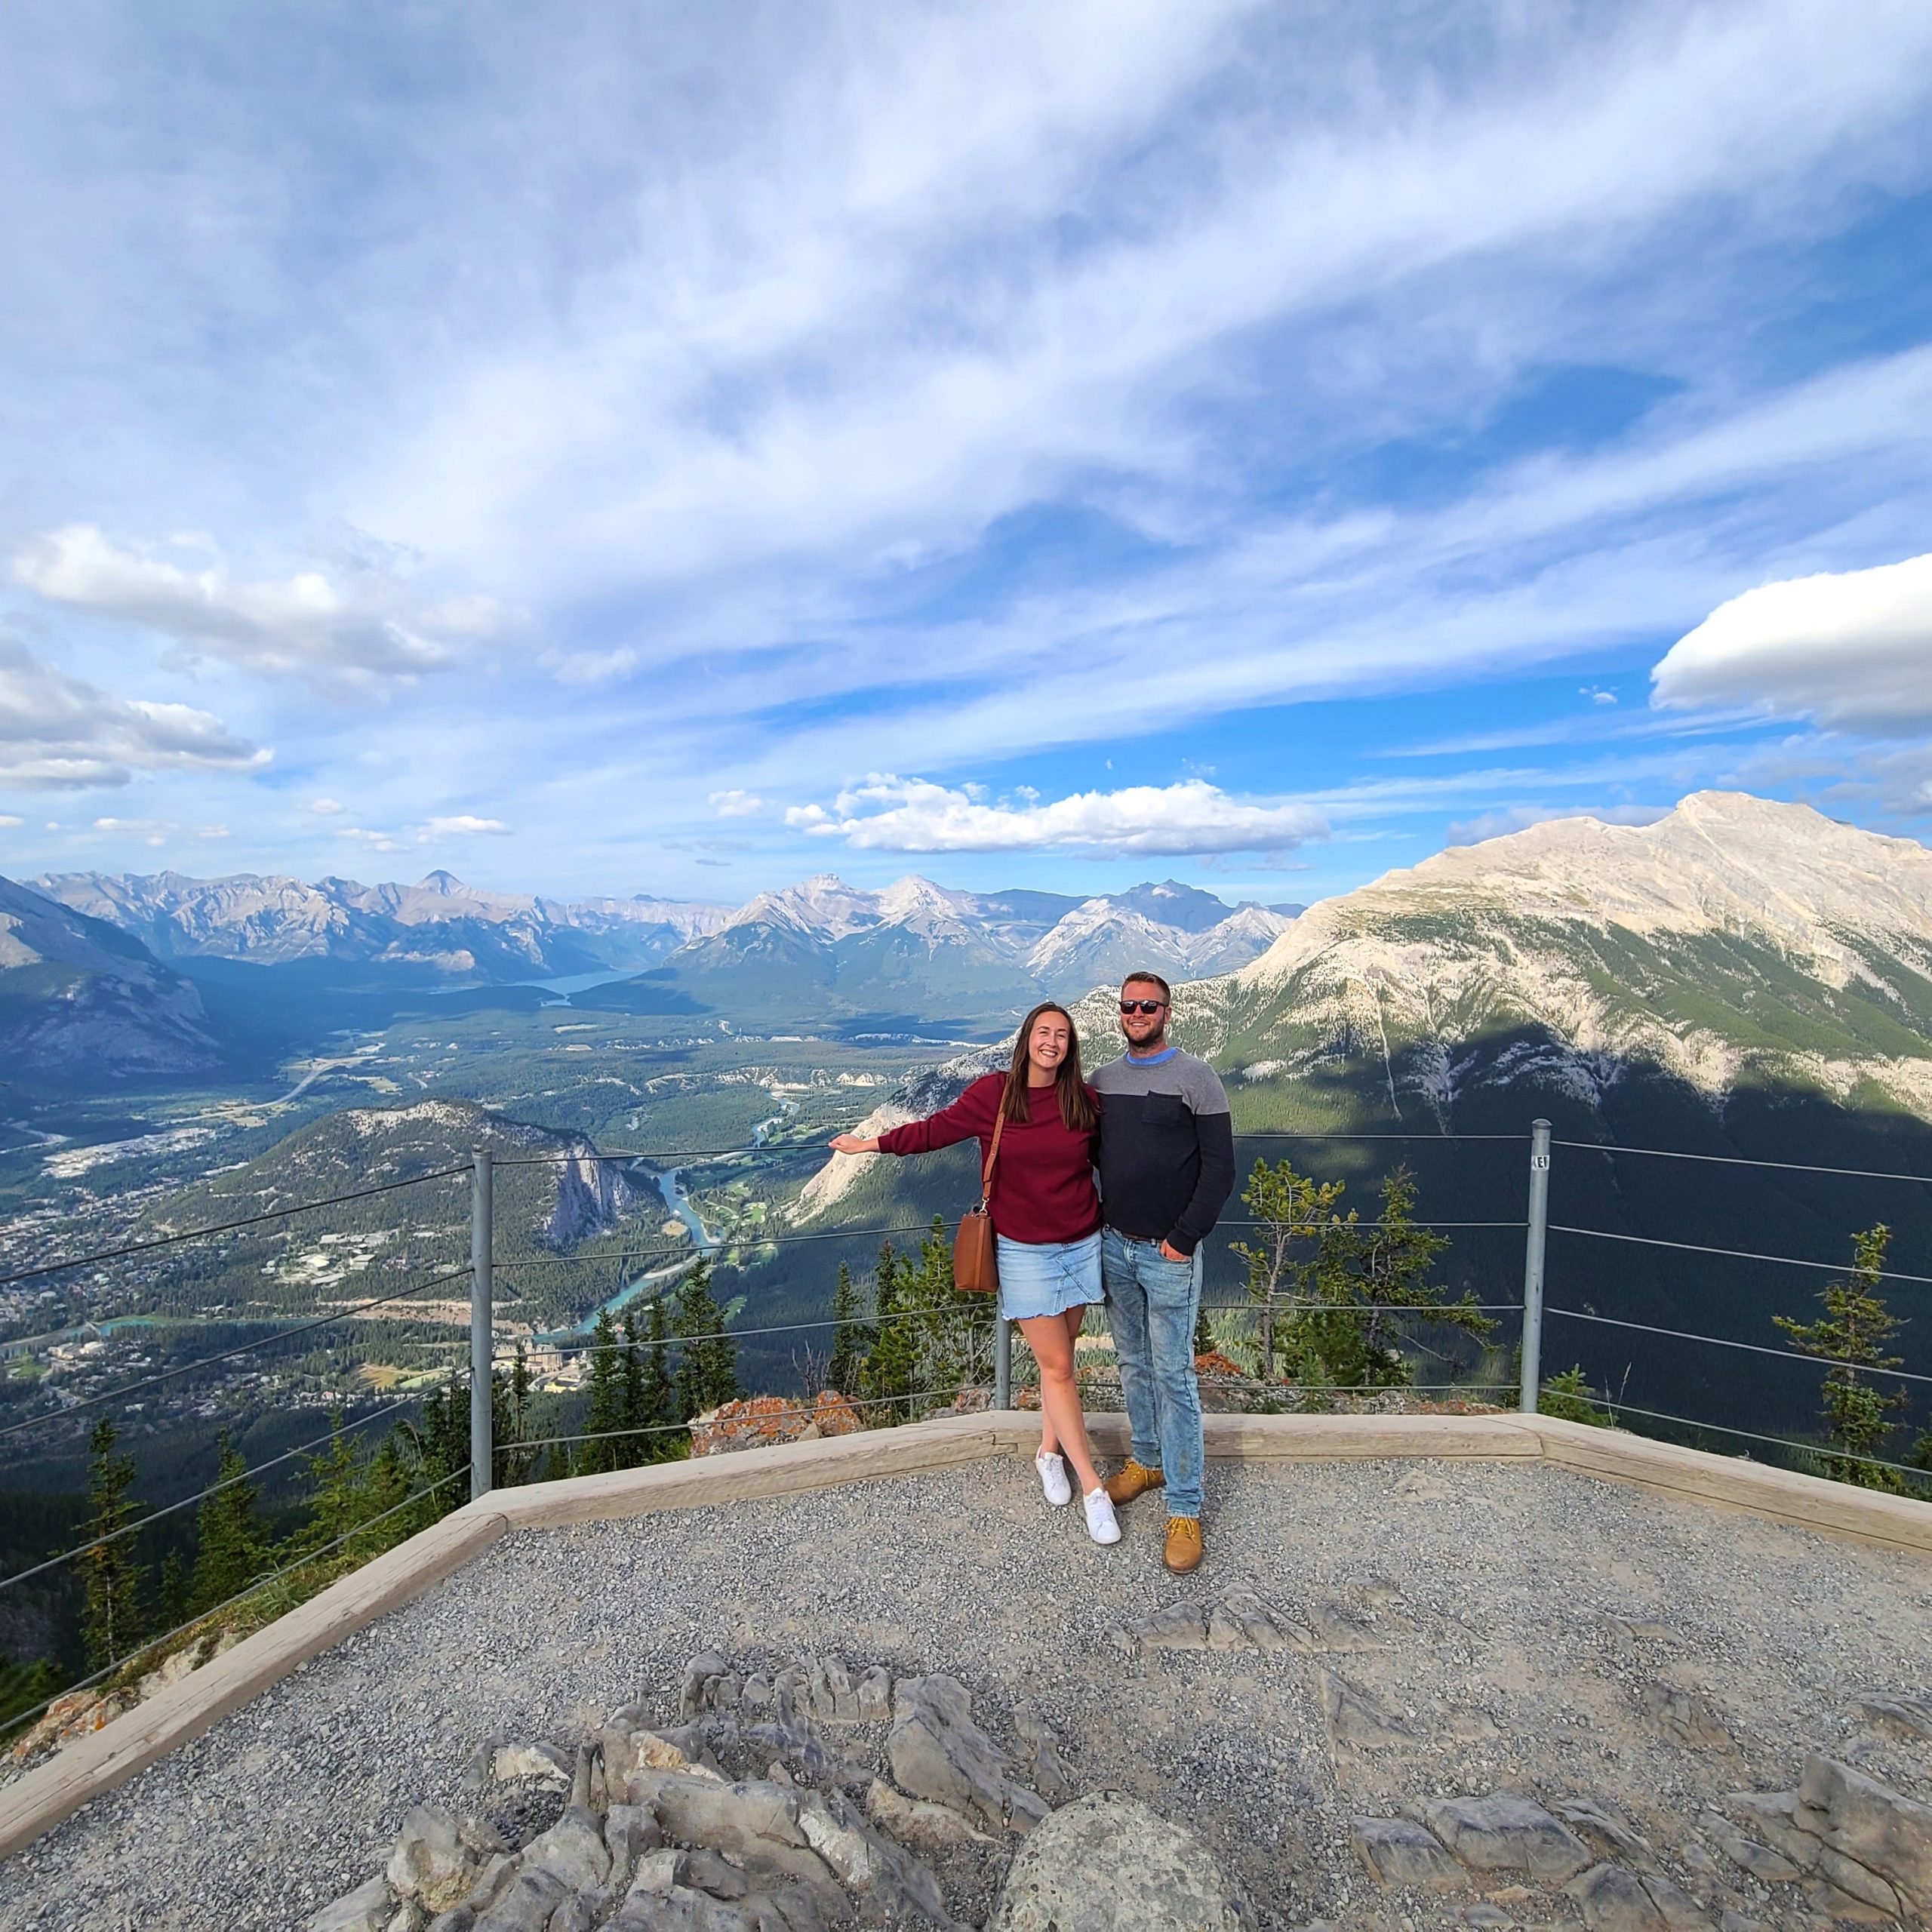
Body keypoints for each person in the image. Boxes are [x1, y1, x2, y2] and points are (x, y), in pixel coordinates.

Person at [829, 1001, 1121, 1546]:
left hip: (1082, 1243)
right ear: (1026, 1038)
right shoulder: (995, 1095)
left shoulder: (1084, 1101)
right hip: (1024, 1252)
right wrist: (867, 1144)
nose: (1051, 1042)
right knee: (1057, 1367)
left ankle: (1047, 1452)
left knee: (1063, 1359)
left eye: (1061, 1035)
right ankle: (1093, 1489)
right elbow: (934, 1132)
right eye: (1043, 1032)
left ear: (1071, 1045)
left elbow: (1114, 1162)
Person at [1091, 971, 1235, 1574]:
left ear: (1167, 1012)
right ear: (1119, 1013)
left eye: (1148, 1005)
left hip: (1168, 1253)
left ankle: (1184, 1505)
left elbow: (1220, 1169)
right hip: (1114, 1247)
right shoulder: (1102, 1082)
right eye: (1128, 1005)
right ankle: (1146, 1460)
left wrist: (1183, 1239)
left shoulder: (1197, 1077)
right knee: (1131, 1361)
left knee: (1174, 1376)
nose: (1137, 1012)